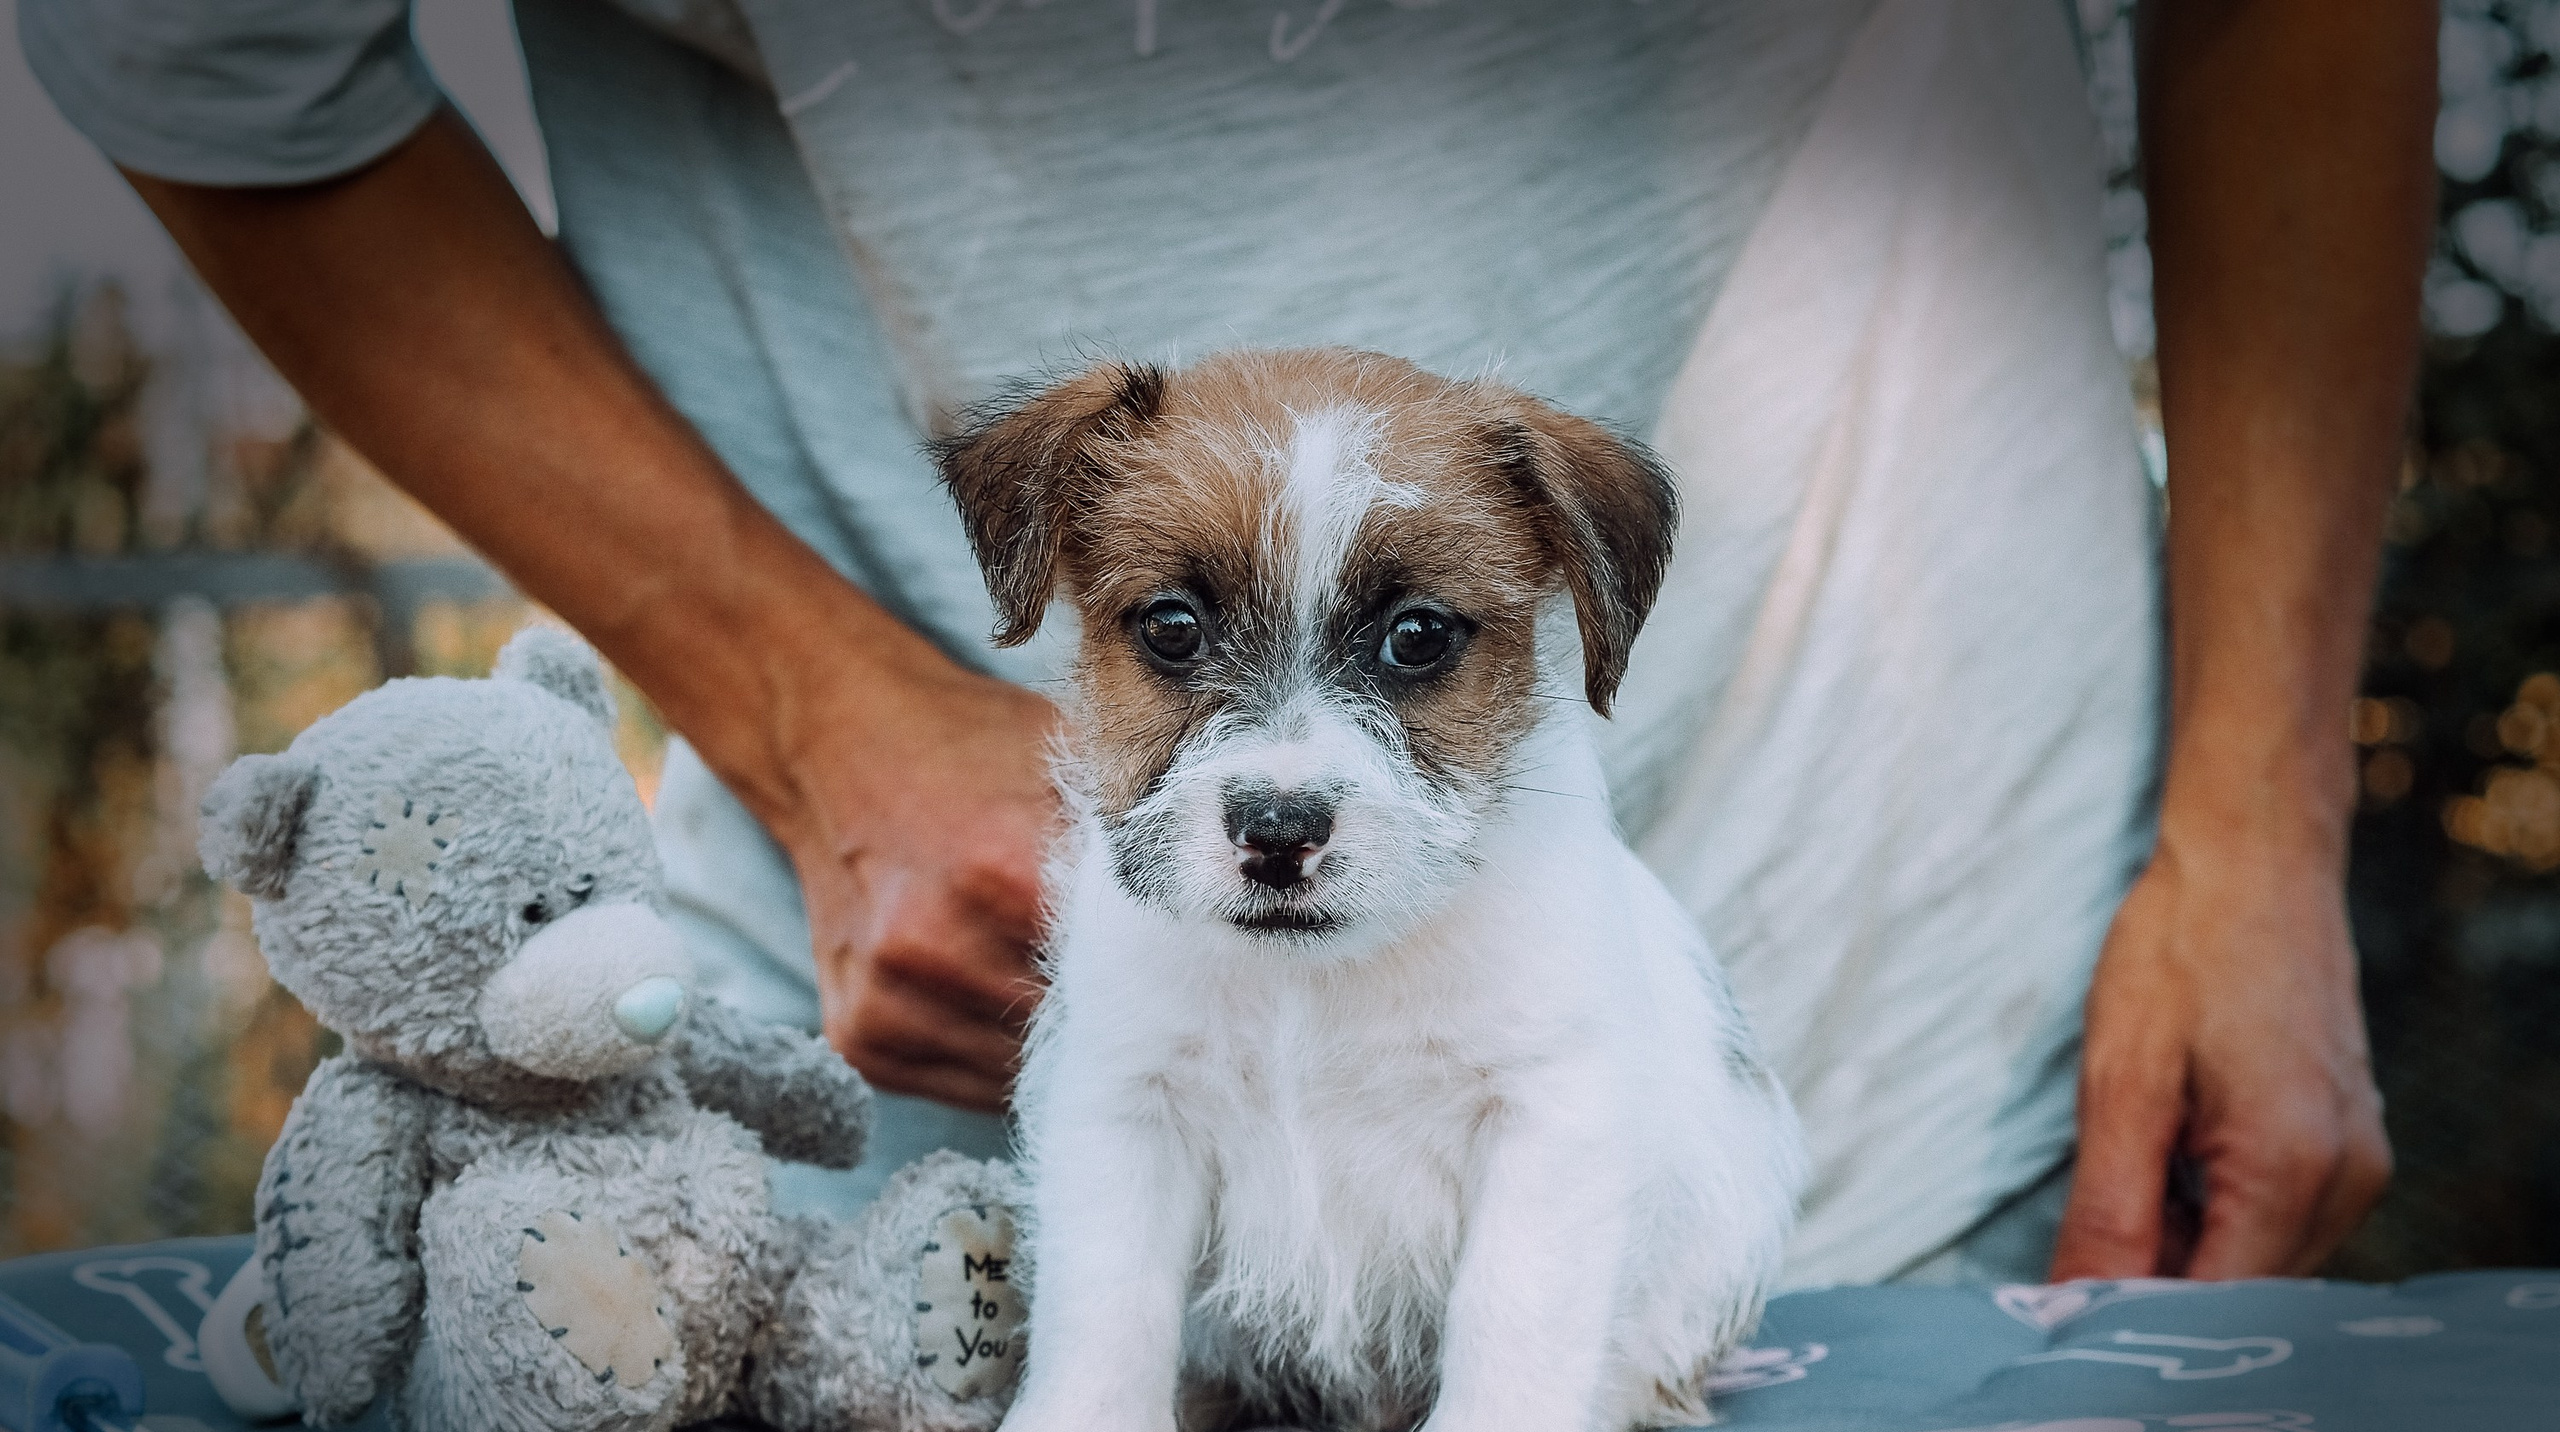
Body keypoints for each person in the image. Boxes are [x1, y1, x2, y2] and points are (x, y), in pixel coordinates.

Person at [23, 0, 2429, 1288]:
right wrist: (805, 707)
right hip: (925, 1030)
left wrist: (2253, 822)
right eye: (1166, 630)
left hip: (1890, 926)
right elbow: (209, 46)